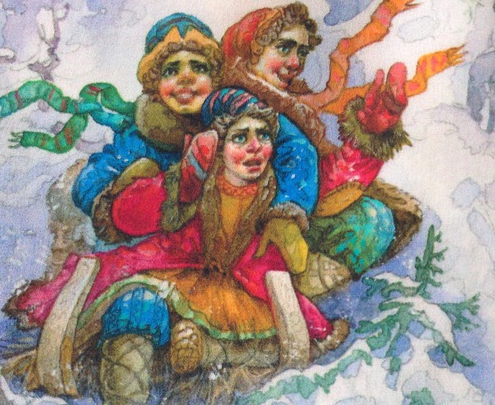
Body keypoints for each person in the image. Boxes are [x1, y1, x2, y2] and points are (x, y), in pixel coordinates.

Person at [7, 89, 347, 405]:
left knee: (264, 340)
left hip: (239, 292)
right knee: (137, 306)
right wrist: (179, 184)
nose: (254, 147)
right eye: (240, 138)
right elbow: (130, 218)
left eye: (263, 136)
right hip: (177, 272)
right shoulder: (195, 184)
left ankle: (202, 350)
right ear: (218, 147)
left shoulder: (273, 199)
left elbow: (275, 265)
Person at [220, 0, 464, 293]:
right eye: (284, 48)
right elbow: (295, 155)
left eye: (302, 52)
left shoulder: (296, 108)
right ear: (251, 49)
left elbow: (325, 181)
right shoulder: (234, 101)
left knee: (372, 218)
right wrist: (285, 214)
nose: (295, 63)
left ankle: (305, 291)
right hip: (246, 225)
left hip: (294, 221)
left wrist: (370, 135)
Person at [71, 13, 319, 247]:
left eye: (199, 68)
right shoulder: (143, 136)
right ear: (155, 83)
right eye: (171, 70)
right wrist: (114, 193)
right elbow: (88, 182)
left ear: (215, 78)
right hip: (160, 247)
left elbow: (294, 145)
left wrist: (287, 209)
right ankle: (172, 189)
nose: (186, 77)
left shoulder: (233, 109)